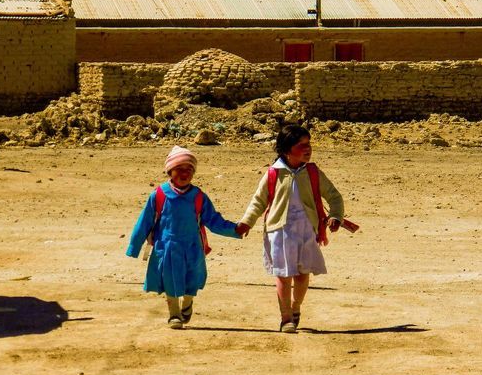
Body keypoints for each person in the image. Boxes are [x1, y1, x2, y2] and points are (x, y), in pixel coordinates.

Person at [236, 125, 345, 333]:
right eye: (301, 145)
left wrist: (335, 216)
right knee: (283, 275)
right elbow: (258, 201)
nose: (308, 149)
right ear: (287, 150)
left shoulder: (313, 173)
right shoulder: (273, 173)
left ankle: (296, 307)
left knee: (302, 275)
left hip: (306, 230)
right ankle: (286, 317)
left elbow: (334, 197)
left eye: (308, 144)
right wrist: (246, 222)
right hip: (280, 232)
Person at [126, 145, 245, 329]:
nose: (184, 173)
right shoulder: (159, 195)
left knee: (193, 278)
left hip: (193, 247)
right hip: (167, 247)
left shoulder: (198, 197)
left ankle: (187, 302)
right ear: (169, 171)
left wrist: (235, 229)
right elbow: (144, 222)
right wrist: (134, 247)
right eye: (179, 169)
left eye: (189, 169)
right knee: (170, 279)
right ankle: (174, 314)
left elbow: (213, 220)